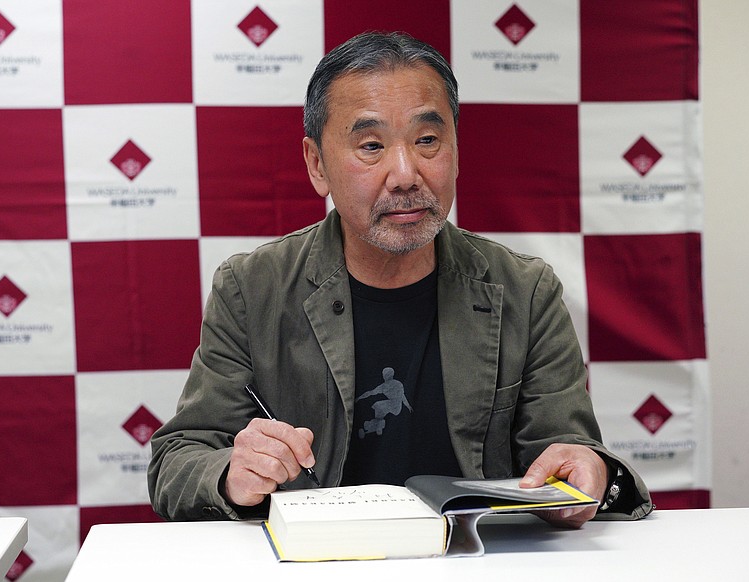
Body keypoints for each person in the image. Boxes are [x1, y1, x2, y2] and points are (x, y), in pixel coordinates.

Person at [148, 32, 653, 527]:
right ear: (317, 165)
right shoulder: (251, 288)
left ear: (456, 149)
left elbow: (570, 457)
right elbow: (176, 461)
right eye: (371, 145)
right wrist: (230, 474)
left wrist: (588, 472)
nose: (406, 173)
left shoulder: (525, 292)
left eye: (427, 140)